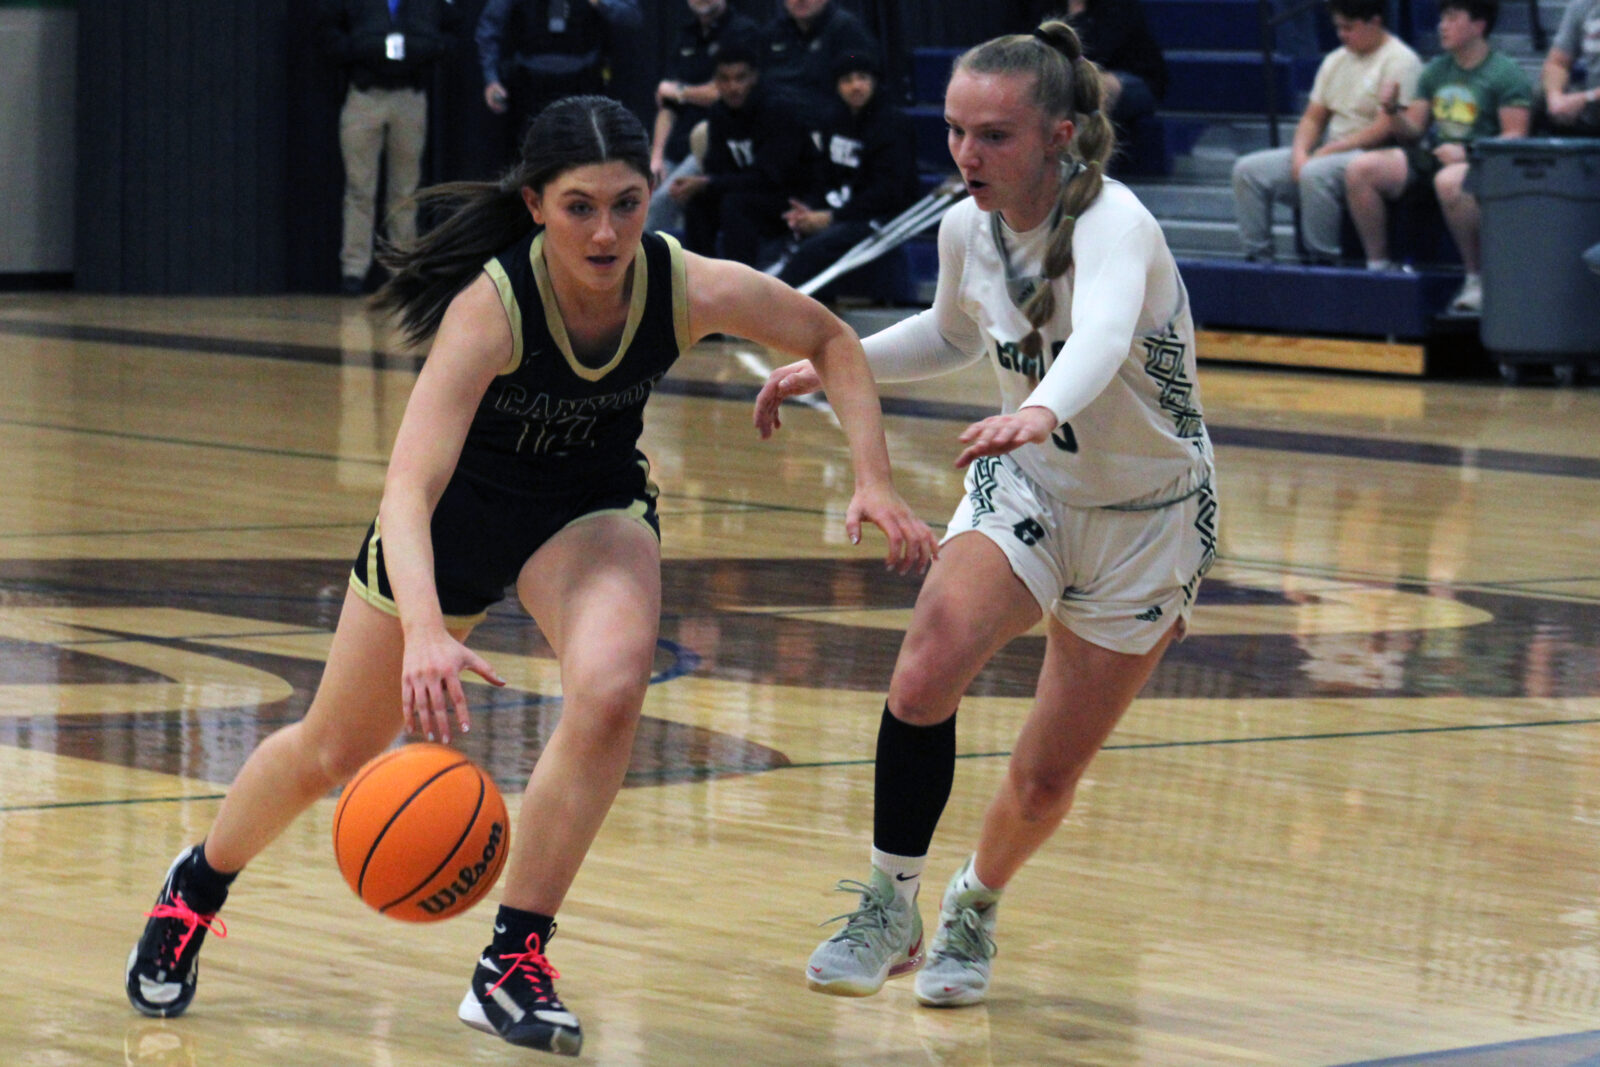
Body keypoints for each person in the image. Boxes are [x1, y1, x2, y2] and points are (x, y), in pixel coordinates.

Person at [122, 95, 938, 1056]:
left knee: (611, 688)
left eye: (629, 203)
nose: (607, 230)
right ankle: (196, 887)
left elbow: (830, 338)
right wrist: (426, 628)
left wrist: (876, 479)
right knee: (334, 753)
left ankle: (512, 958)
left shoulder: (684, 284)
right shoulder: (492, 309)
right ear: (536, 204)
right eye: (580, 206)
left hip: (585, 513)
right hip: (451, 526)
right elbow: (408, 487)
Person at [755, 20, 1217, 1009]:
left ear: (1057, 134)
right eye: (956, 129)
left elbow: (1095, 331)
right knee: (925, 668)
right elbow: (951, 331)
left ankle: (974, 901)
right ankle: (891, 899)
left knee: (1046, 777)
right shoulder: (964, 223)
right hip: (1032, 482)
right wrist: (831, 365)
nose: (967, 153)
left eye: (994, 134)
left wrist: (1043, 403)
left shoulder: (1114, 222)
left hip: (1147, 515)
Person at [1343, 0, 1530, 313]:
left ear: (1478, 25)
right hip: (1438, 154)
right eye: (1441, 17)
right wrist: (1391, 111)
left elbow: (1516, 136)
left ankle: (1477, 279)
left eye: (1452, 17)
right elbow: (1413, 132)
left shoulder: (1506, 74)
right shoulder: (1436, 72)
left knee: (1449, 181)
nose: (1442, 25)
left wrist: (1470, 152)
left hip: (1487, 161)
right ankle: (1378, 270)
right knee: (1361, 168)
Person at [1231, 0, 1422, 264]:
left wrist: (1329, 150)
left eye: (1349, 27)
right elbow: (1312, 118)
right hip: (1331, 151)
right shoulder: (1335, 60)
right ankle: (1258, 258)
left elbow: (1384, 127)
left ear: (1375, 22)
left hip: (1372, 154)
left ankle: (1322, 260)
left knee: (1315, 172)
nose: (1342, 34)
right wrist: (1300, 153)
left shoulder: (1401, 60)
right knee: (1248, 170)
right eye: (1338, 28)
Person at [315, 0, 463, 296]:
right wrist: (356, 50)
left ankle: (400, 269)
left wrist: (432, 50)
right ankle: (353, 270)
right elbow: (328, 27)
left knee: (405, 189)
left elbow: (453, 26)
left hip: (409, 96)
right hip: (364, 96)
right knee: (359, 188)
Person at [776, 51, 921, 299]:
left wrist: (831, 217)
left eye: (862, 78)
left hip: (881, 217)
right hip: (842, 213)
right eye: (847, 80)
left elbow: (888, 193)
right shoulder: (832, 121)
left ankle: (772, 311)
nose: (856, 86)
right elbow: (823, 176)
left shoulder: (893, 124)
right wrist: (810, 212)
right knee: (779, 235)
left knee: (813, 252)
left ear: (874, 81)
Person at [672, 43, 815, 266]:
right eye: (725, 79)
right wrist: (702, 184)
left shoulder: (779, 110)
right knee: (699, 204)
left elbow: (770, 178)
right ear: (715, 82)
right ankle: (700, 281)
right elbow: (716, 169)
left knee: (735, 204)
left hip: (791, 196)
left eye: (741, 78)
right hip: (747, 191)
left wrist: (708, 183)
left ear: (755, 77)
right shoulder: (720, 113)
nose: (733, 87)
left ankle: (741, 285)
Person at [475, 0, 642, 163]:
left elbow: (632, 16)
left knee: (581, 159)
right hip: (530, 88)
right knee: (529, 159)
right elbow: (490, 27)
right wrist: (491, 79)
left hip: (583, 87)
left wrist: (602, 4)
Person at [644, 0, 759, 234]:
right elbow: (667, 105)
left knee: (659, 203)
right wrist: (655, 156)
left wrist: (681, 92)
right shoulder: (686, 34)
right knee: (638, 192)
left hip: (716, 143)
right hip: (675, 143)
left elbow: (727, 91)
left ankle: (646, 266)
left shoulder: (743, 31)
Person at [757, 0, 881, 138]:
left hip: (830, 130)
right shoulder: (771, 34)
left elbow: (859, 76)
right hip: (779, 129)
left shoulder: (848, 32)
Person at [1061, 0, 1167, 131]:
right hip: (1063, 76)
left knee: (1091, 86)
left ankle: (1075, 145)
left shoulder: (1118, 6)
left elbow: (1099, 53)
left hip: (1132, 78)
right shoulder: (1038, 7)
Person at [1533, 0, 1600, 135]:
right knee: (1537, 95)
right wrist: (1555, 97)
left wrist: (1587, 97)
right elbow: (1558, 63)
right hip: (1593, 106)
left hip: (1592, 99)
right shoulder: (1583, 6)